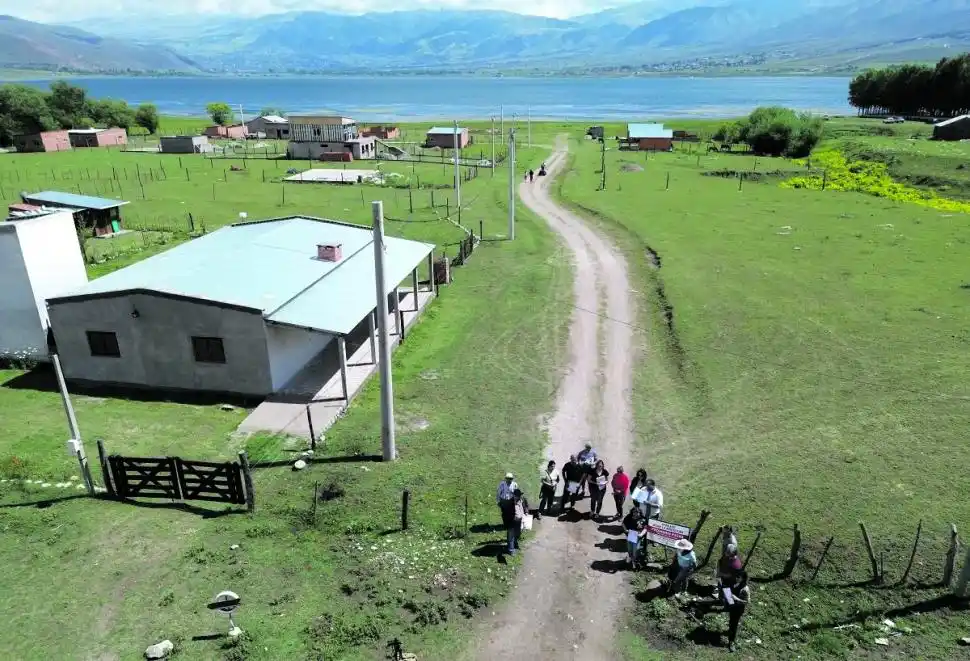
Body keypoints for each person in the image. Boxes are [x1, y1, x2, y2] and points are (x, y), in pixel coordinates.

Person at [724, 570, 751, 652]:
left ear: (743, 578)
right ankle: (730, 632)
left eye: (738, 577)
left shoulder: (745, 589)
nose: (736, 578)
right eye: (736, 576)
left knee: (734, 625)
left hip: (738, 609)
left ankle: (731, 642)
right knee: (731, 622)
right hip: (732, 606)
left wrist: (736, 598)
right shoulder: (734, 583)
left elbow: (747, 602)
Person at [507, 488, 528, 555]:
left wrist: (526, 512)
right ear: (514, 495)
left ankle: (515, 544)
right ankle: (511, 550)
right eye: (517, 496)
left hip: (519, 521)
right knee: (511, 536)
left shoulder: (522, 500)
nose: (518, 497)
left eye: (519, 495)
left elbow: (526, 506)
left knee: (517, 533)